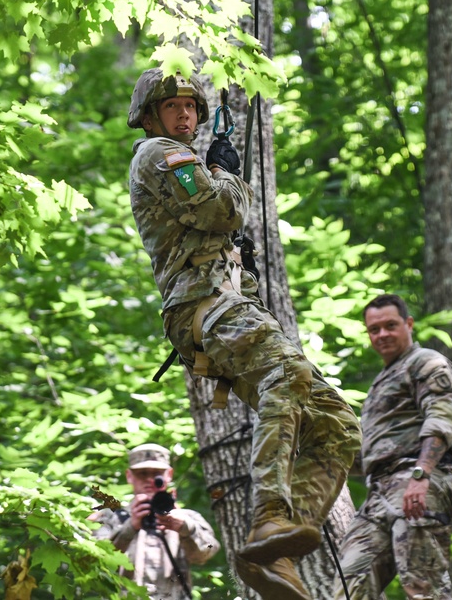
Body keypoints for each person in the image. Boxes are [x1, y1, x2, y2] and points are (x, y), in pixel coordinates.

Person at [125, 68, 362, 599]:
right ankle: (270, 516)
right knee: (288, 370)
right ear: (149, 116)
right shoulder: (158, 154)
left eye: (191, 106)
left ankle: (275, 553)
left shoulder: (188, 161)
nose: (184, 114)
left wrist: (217, 171)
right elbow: (221, 208)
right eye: (172, 107)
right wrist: (227, 176)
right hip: (204, 308)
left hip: (230, 307)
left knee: (339, 428)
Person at [333, 294, 452, 600]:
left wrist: (421, 476)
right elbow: (370, 457)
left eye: (390, 326)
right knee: (349, 586)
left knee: (423, 588)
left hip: (418, 484)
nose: (382, 335)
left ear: (408, 324)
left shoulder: (426, 362)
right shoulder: (381, 382)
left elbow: (443, 419)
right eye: (374, 330)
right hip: (379, 493)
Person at [90, 443, 220, 600]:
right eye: (142, 474)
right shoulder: (109, 518)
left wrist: (185, 528)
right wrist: (129, 527)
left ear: (169, 474)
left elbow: (205, 554)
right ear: (129, 476)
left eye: (157, 474)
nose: (149, 480)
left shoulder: (187, 517)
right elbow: (94, 559)